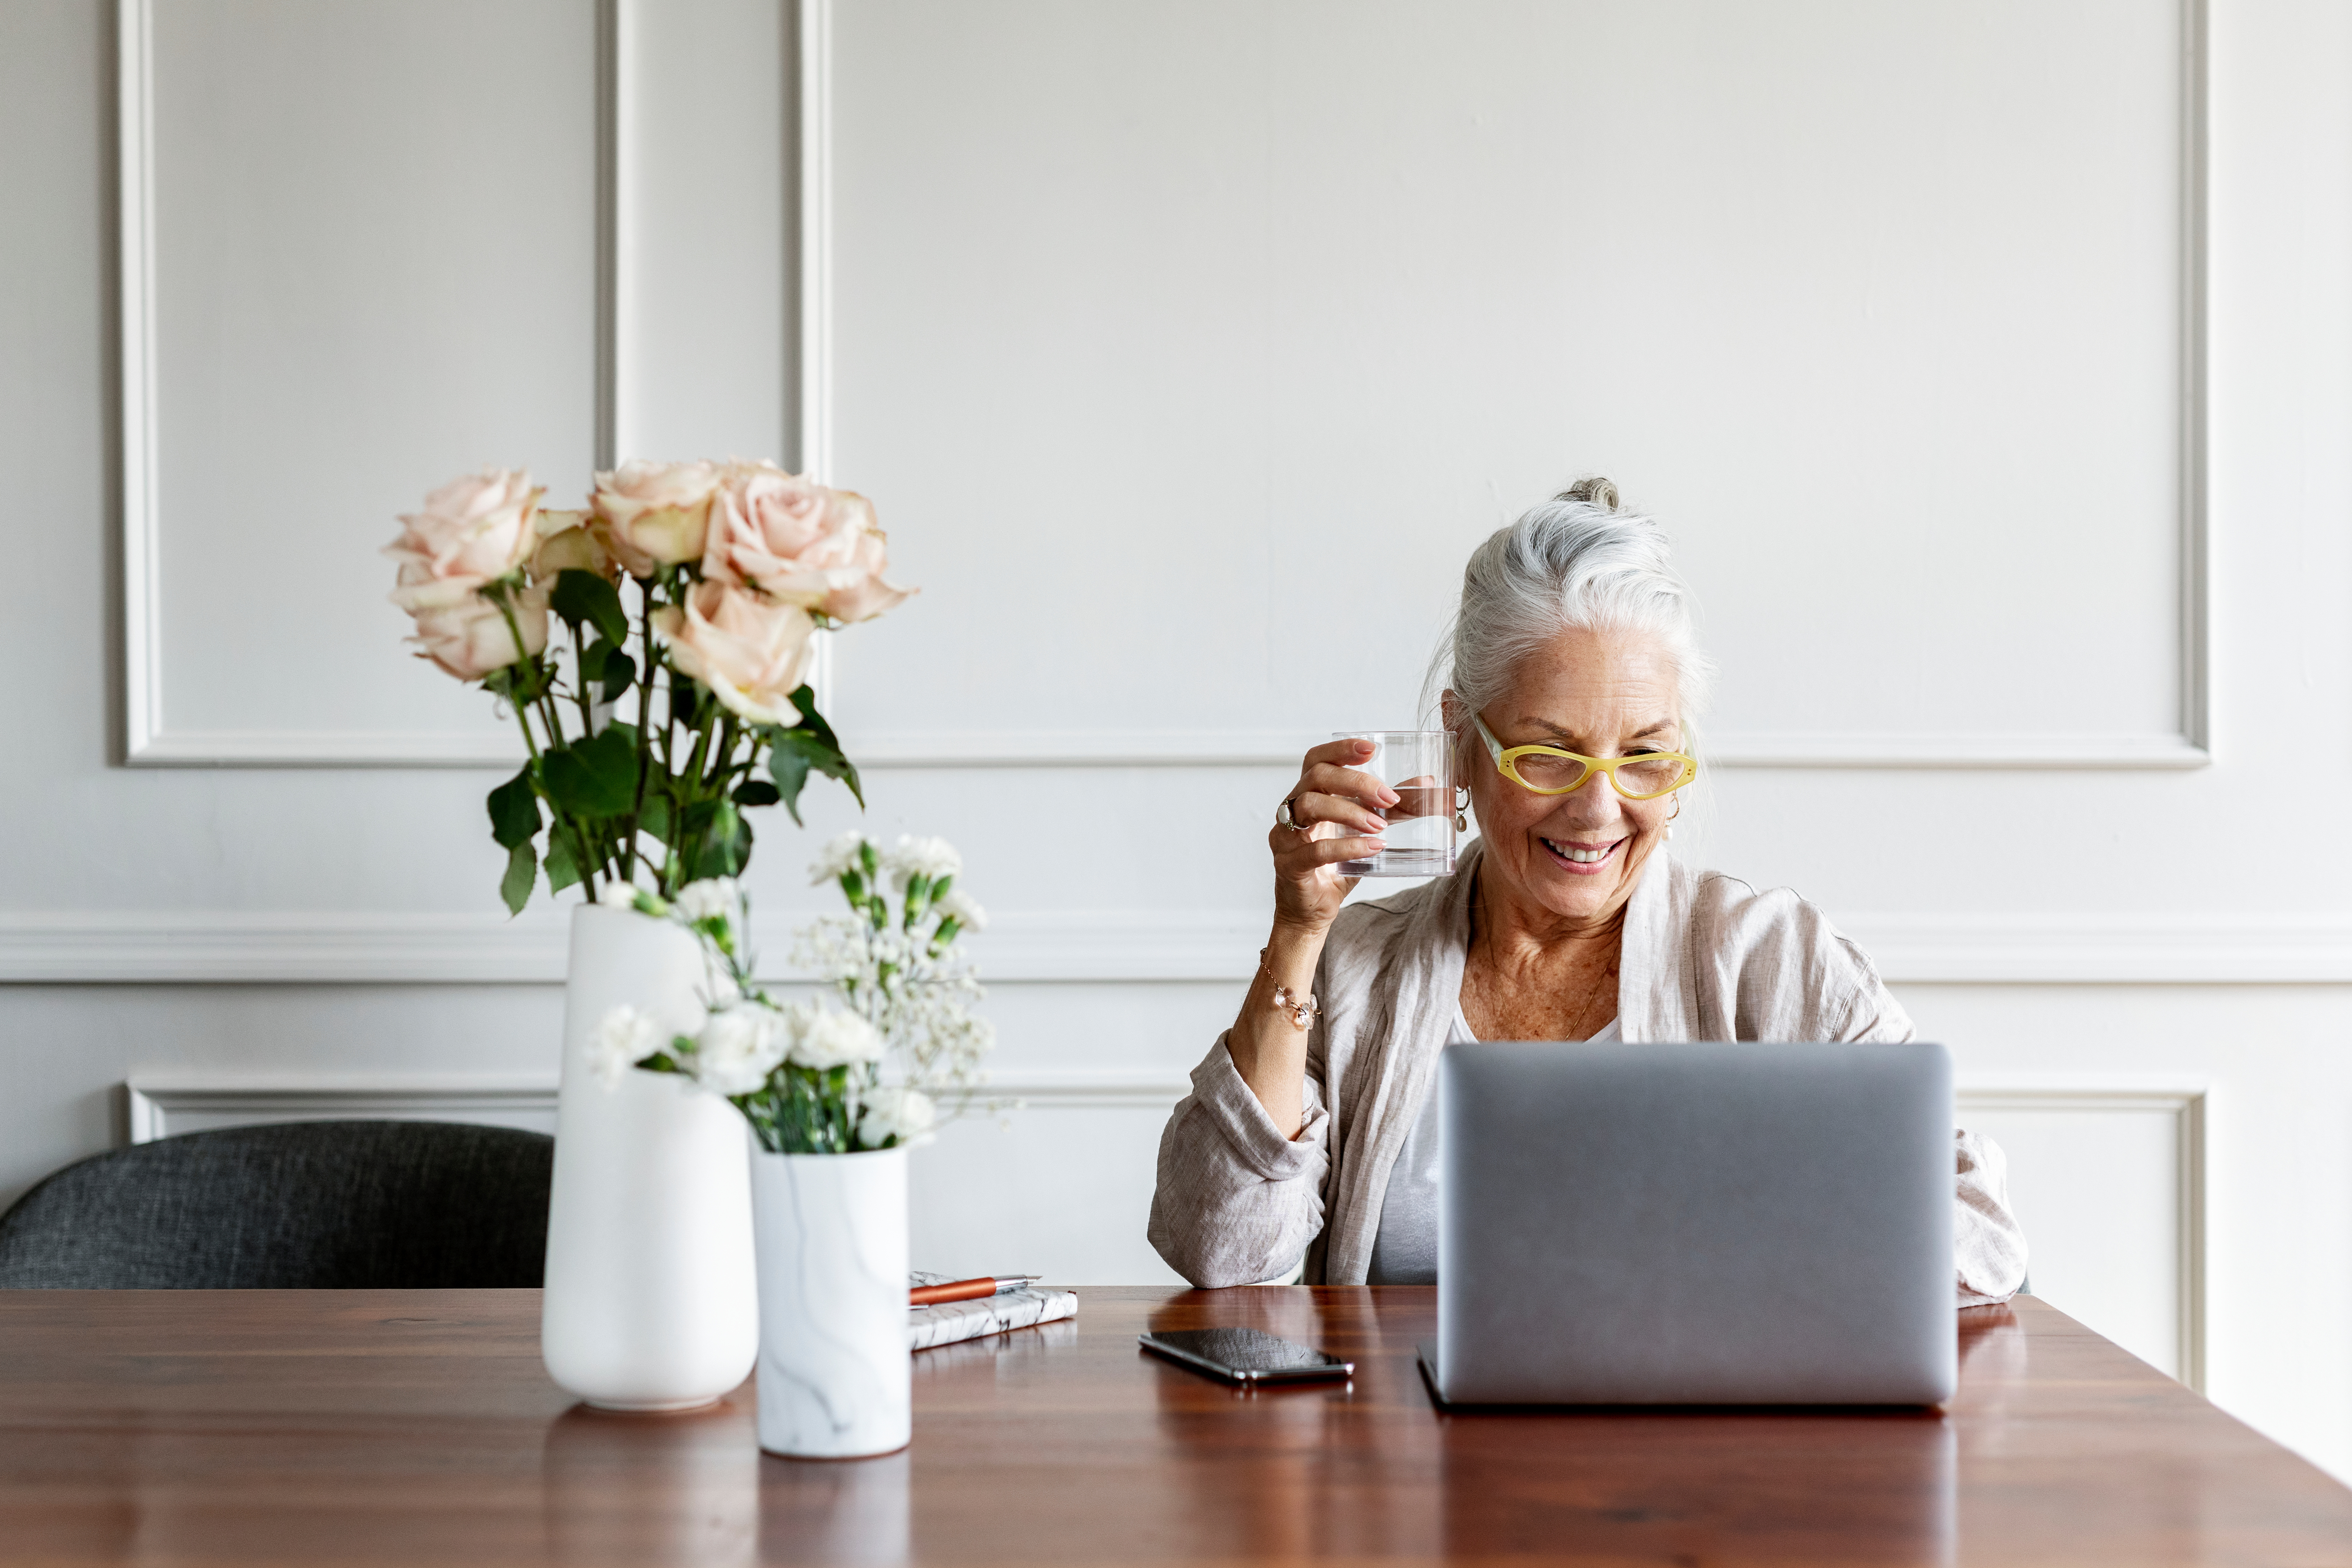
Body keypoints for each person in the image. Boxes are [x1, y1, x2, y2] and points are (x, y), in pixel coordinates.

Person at [1148, 479, 2027, 1302]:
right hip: (1405, 1460)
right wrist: (1298, 934)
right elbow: (1224, 1256)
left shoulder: (1770, 962)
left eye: (1643, 755)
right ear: (1462, 741)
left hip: (1686, 1462)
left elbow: (1977, 1241)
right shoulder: (1360, 970)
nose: (1598, 808)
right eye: (1547, 753)